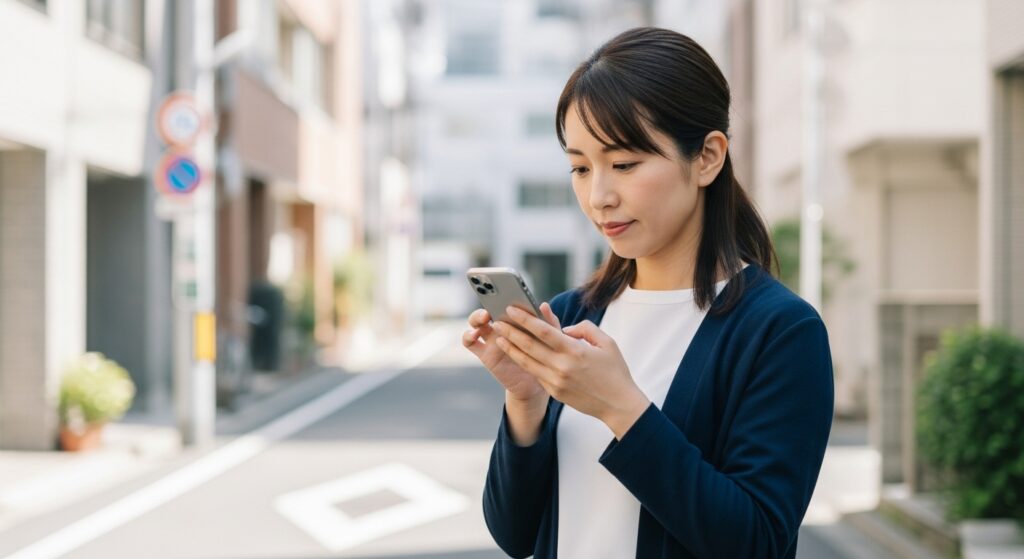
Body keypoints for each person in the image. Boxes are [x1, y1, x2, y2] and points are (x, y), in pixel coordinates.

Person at [462, 27, 834, 559]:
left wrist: (621, 408)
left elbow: (758, 541)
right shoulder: (572, 316)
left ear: (707, 157)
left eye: (625, 164)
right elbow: (514, 533)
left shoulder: (779, 332)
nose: (599, 196)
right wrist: (527, 399)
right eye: (580, 167)